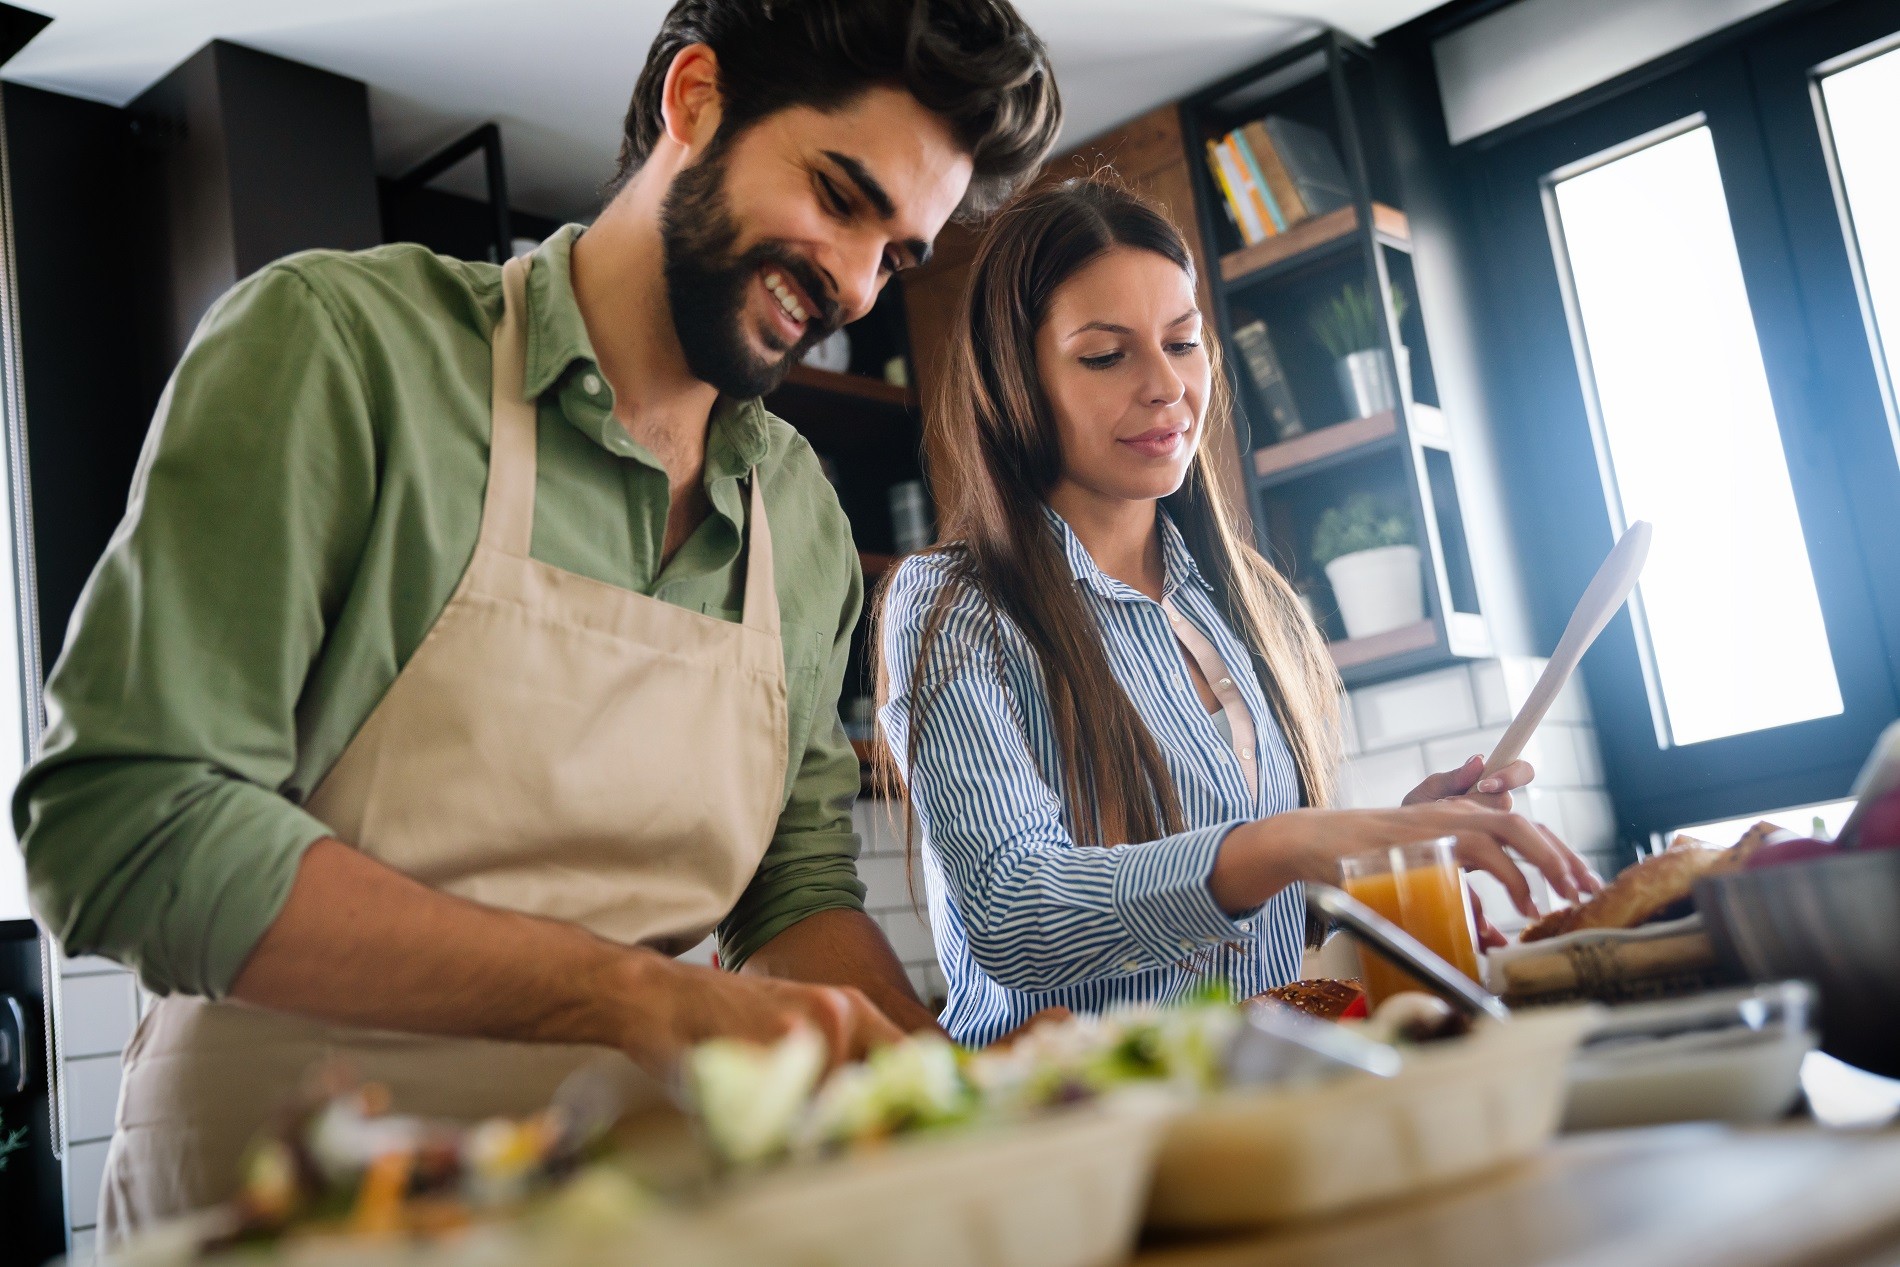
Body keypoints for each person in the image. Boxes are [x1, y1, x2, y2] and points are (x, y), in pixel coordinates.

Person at [15, 0, 1059, 1237]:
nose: (851, 281)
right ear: (695, 100)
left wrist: (943, 1080)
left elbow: (791, 891)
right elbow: (122, 825)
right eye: (840, 195)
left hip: (628, 1203)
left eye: (896, 252)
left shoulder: (800, 515)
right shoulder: (348, 352)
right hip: (289, 1189)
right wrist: (636, 999)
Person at [876, 178, 1599, 1047]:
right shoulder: (954, 604)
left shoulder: (1252, 602)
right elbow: (1017, 915)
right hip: (1076, 1124)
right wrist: (1290, 842)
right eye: (1106, 356)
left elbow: (1284, 994)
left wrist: (1384, 861)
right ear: (1017, 379)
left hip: (1258, 1097)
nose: (1166, 387)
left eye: (1183, 343)